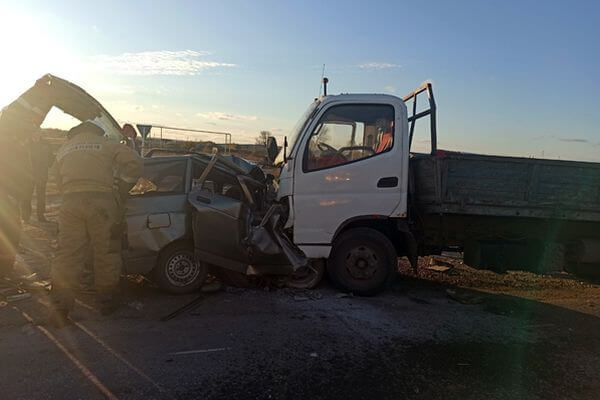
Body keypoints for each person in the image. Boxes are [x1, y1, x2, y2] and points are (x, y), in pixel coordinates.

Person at [49, 120, 142, 324]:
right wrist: (123, 186)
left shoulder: (66, 148)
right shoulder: (106, 144)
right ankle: (107, 301)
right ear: (98, 132)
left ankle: (60, 305)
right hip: (101, 203)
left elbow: (54, 175)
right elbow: (134, 162)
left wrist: (69, 191)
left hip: (70, 204)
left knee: (67, 253)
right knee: (106, 251)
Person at [21, 130, 54, 223]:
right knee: (26, 196)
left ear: (40, 133)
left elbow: (50, 157)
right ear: (31, 133)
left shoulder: (46, 144)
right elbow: (21, 158)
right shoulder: (26, 144)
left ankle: (41, 216)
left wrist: (49, 163)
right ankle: (25, 217)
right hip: (28, 175)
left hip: (42, 174)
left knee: (41, 196)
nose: (36, 133)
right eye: (34, 132)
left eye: (38, 131)